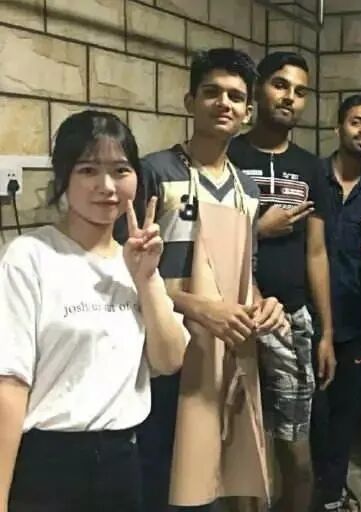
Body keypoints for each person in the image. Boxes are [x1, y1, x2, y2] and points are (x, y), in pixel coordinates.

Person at [118, 48, 286, 512]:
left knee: (210, 481)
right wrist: (196, 306)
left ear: (248, 112)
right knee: (160, 480)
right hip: (161, 353)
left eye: (235, 96)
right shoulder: (154, 173)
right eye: (212, 92)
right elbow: (122, 270)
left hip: (220, 354)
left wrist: (262, 304)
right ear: (190, 101)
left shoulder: (246, 189)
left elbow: (245, 274)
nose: (224, 103)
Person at [0, 110, 188, 512]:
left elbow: (170, 360)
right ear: (63, 178)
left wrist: (147, 279)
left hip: (124, 461)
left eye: (121, 170)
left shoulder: (135, 262)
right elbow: (9, 385)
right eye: (88, 170)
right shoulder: (29, 257)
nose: (106, 186)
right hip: (47, 466)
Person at [228, 51, 335, 512]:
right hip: (236, 317)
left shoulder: (311, 168)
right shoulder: (230, 154)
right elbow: (207, 240)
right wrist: (259, 229)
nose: (290, 97)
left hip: (292, 320)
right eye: (280, 85)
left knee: (297, 451)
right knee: (241, 449)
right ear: (258, 90)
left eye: (299, 91)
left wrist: (326, 332)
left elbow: (317, 251)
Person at [310, 93, 361, 512]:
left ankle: (332, 496)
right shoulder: (310, 177)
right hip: (302, 320)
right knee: (308, 419)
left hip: (350, 326)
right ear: (338, 127)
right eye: (357, 121)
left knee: (342, 417)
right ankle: (301, 493)